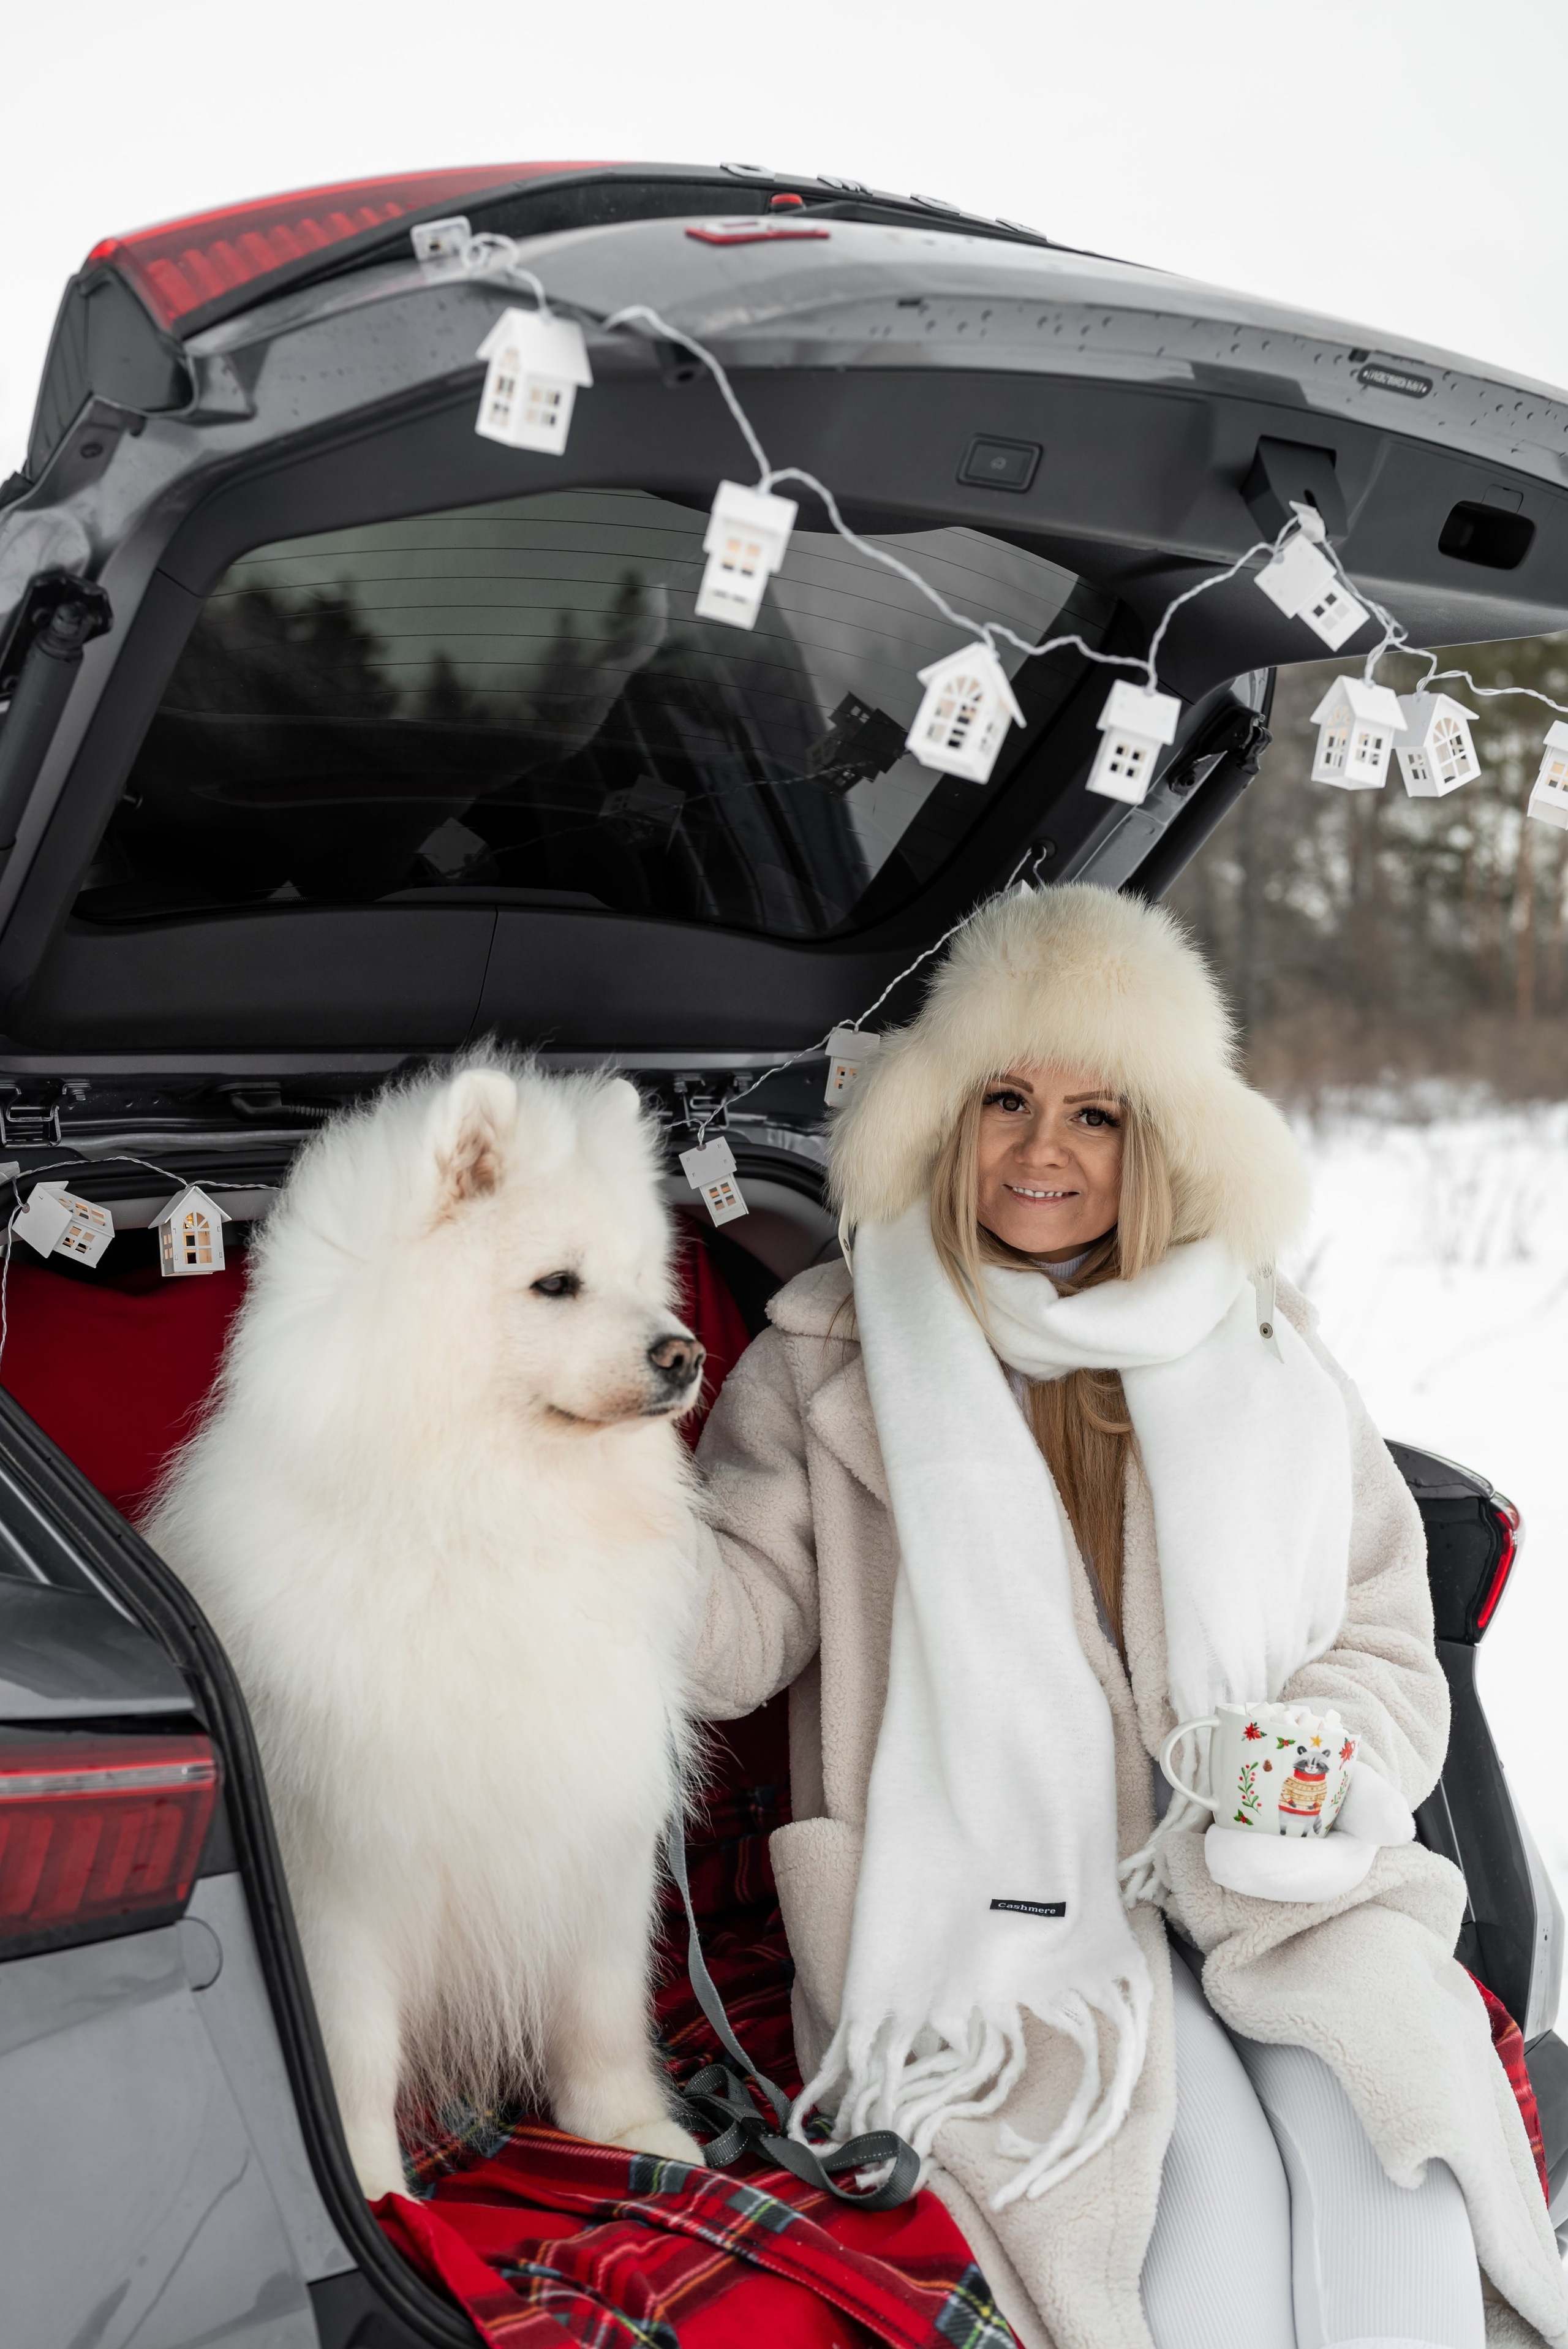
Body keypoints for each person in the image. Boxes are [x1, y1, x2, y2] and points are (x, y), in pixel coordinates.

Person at [685, 883, 1567, 2349]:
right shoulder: (830, 1358)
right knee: (1181, 2220)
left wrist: (1320, 1753)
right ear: (939, 1115)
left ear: (1156, 1136)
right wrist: (573, 1515)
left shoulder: (1261, 1343)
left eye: (1095, 1115)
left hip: (1274, 1884)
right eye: (1005, 1100)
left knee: (1391, 2185)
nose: (1041, 1151)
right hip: (991, 1920)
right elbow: (732, 1635)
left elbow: (1380, 1631)